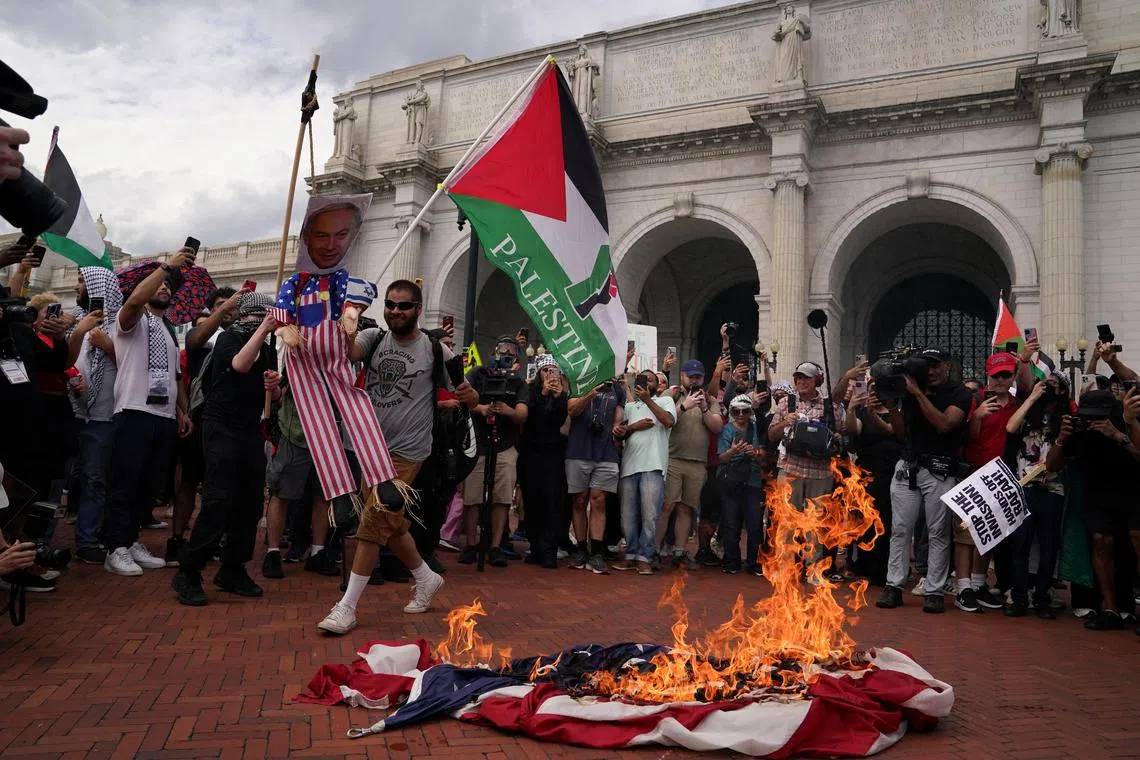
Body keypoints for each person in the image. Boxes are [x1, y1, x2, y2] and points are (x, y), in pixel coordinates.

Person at [315, 281, 470, 634]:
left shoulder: (435, 350)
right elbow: (346, 353)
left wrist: (469, 394)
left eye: (404, 306)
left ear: (418, 308)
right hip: (369, 446)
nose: (396, 311)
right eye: (391, 305)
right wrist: (347, 317)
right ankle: (425, 577)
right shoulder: (374, 340)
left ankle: (347, 607)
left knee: (373, 520)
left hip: (408, 452)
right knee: (390, 522)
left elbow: (465, 396)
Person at [172, 293, 278, 605]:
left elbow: (271, 393)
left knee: (249, 502)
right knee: (218, 499)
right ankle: (189, 571)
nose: (262, 324)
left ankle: (233, 568)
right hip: (220, 426)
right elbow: (239, 365)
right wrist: (261, 330)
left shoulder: (269, 351)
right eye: (258, 318)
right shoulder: (228, 340)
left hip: (248, 429)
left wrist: (276, 385)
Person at [103, 247, 193, 577]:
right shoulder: (130, 320)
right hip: (133, 411)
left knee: (148, 486)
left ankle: (131, 541)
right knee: (125, 482)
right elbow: (134, 302)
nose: (166, 287)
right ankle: (115, 548)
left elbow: (174, 377)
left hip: (163, 417)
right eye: (160, 283)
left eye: (170, 284)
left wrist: (182, 411)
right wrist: (166, 267)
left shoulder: (168, 330)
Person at [876, 348, 973, 614]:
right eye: (925, 366)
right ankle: (893, 586)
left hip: (940, 469)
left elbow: (944, 424)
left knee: (938, 531)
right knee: (899, 529)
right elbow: (899, 432)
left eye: (935, 365)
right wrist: (892, 403)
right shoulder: (909, 391)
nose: (930, 371)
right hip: (908, 465)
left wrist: (918, 394)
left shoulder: (960, 394)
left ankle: (934, 590)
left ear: (948, 366)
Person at [1047, 389, 1140, 631]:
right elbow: (1052, 466)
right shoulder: (1079, 428)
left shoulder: (1125, 421)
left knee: (1135, 542)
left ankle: (1128, 606)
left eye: (1099, 416)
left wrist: (1118, 434)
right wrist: (1061, 439)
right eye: (1089, 416)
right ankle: (1110, 609)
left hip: (1131, 489)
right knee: (1100, 541)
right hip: (1097, 492)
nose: (1093, 421)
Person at [166, 286, 241, 564]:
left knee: (220, 485)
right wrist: (185, 412)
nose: (228, 308)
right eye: (221, 304)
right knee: (189, 481)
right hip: (200, 417)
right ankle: (176, 539)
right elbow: (195, 343)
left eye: (232, 304)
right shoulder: (202, 336)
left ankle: (211, 538)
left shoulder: (242, 338)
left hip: (229, 421)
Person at [954, 352, 1022, 613]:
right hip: (972, 472)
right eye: (997, 375)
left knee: (988, 532)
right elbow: (967, 439)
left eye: (1006, 375)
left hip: (1000, 476)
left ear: (1013, 376)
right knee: (965, 532)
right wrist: (978, 416)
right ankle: (963, 588)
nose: (1001, 380)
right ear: (988, 376)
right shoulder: (975, 400)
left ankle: (979, 584)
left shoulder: (1017, 404)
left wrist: (1025, 359)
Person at [1004, 375, 1072, 618]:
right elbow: (1010, 427)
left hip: (1052, 489)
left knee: (1048, 546)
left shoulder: (1065, 419)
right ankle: (1020, 598)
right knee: (1020, 544)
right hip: (1024, 487)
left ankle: (1042, 597)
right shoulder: (1029, 413)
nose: (1049, 387)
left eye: (1055, 385)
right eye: (1046, 383)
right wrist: (1032, 397)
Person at [459, 337, 529, 568]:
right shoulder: (478, 374)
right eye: (502, 349)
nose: (506, 353)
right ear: (494, 350)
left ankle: (496, 546)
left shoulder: (517, 382)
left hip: (505, 445)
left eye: (511, 351)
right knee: (472, 497)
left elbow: (522, 413)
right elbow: (463, 399)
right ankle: (471, 544)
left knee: (501, 498)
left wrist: (507, 410)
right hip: (478, 444)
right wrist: (482, 409)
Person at [69, 267, 120, 565]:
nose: (78, 286)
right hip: (75, 412)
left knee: (96, 481)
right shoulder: (77, 321)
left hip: (104, 418)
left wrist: (108, 346)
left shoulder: (119, 326)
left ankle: (89, 539)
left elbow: (133, 365)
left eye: (83, 281)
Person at [659, 359, 723, 570]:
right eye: (691, 376)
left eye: (698, 377)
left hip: (697, 463)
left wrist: (704, 408)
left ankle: (679, 551)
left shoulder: (709, 399)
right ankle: (654, 550)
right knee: (667, 506)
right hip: (673, 459)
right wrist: (684, 406)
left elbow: (717, 427)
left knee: (687, 508)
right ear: (683, 376)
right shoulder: (672, 394)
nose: (694, 380)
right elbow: (664, 419)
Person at [613, 370, 676, 574]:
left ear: (657, 385)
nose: (645, 381)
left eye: (650, 379)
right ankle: (631, 554)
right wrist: (627, 429)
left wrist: (648, 400)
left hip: (653, 465)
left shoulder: (665, 401)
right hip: (629, 465)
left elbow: (668, 421)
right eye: (642, 378)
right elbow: (621, 434)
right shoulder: (629, 407)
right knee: (627, 515)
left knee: (650, 515)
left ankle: (645, 556)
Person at [565, 374, 625, 574]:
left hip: (606, 452)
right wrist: (590, 394)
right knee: (580, 500)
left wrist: (619, 429)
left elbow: (619, 419)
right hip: (579, 449)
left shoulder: (617, 388)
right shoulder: (577, 381)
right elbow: (572, 411)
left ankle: (597, 552)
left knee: (598, 500)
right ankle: (581, 549)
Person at [517, 354, 569, 568]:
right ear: (539, 373)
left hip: (552, 454)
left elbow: (559, 422)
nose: (549, 374)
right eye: (545, 370)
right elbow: (530, 419)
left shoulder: (562, 395)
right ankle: (535, 546)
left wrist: (557, 398)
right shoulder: (530, 391)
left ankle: (549, 549)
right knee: (531, 500)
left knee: (550, 501)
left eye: (553, 370)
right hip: (530, 452)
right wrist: (544, 392)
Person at [716, 394, 767, 575]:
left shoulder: (755, 428)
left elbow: (764, 456)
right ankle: (731, 561)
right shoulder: (726, 430)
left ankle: (754, 562)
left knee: (754, 524)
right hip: (731, 480)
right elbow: (721, 457)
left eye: (745, 411)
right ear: (732, 412)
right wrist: (734, 450)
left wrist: (755, 452)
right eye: (736, 411)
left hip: (752, 480)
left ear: (749, 411)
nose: (740, 415)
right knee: (731, 523)